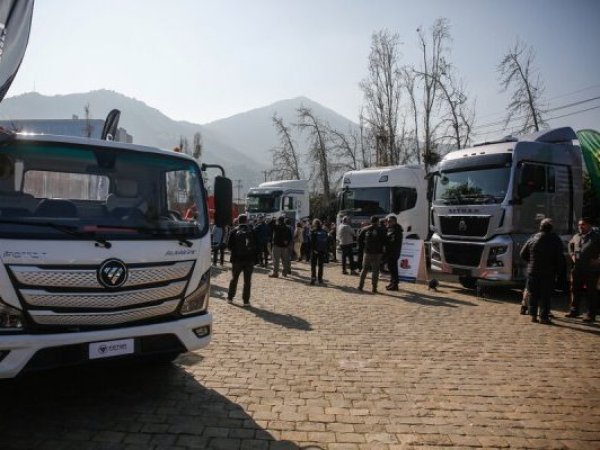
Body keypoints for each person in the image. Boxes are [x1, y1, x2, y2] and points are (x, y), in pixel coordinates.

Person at [519, 218, 564, 324]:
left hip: (533, 271)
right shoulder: (555, 239)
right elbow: (559, 257)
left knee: (533, 294)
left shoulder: (533, 237)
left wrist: (531, 262)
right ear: (551, 228)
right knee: (545, 295)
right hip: (548, 272)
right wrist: (559, 271)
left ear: (540, 227)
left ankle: (533, 316)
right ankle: (543, 317)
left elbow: (522, 254)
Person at [566, 217, 600, 322]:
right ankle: (574, 310)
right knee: (575, 290)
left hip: (591, 270)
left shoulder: (596, 237)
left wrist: (599, 260)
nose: (580, 226)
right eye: (579, 225)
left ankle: (590, 314)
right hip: (577, 268)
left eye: (583, 224)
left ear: (589, 225)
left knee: (591, 292)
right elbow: (570, 245)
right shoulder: (576, 236)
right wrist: (572, 255)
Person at [227, 214, 256, 306]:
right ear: (246, 221)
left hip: (237, 259)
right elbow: (256, 245)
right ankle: (246, 301)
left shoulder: (233, 231)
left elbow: (229, 246)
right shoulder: (251, 230)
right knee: (247, 281)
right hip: (249, 259)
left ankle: (230, 298)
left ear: (238, 221)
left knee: (234, 279)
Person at [357, 215, 386, 293]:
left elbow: (359, 240)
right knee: (375, 271)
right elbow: (385, 241)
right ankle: (374, 288)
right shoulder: (381, 230)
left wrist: (364, 248)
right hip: (378, 253)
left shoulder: (365, 229)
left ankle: (360, 286)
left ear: (371, 221)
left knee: (364, 269)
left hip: (367, 252)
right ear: (377, 221)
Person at [384, 215, 404, 291]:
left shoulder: (397, 230)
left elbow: (392, 242)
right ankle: (392, 282)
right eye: (388, 221)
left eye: (390, 221)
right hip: (389, 252)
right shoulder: (390, 229)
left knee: (393, 269)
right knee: (391, 268)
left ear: (394, 222)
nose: (388, 222)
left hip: (393, 252)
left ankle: (395, 285)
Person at [309, 218, 329, 285]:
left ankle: (313, 278)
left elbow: (311, 242)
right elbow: (327, 241)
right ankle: (320, 279)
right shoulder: (324, 231)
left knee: (313, 265)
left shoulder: (313, 231)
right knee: (320, 265)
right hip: (322, 250)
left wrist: (314, 250)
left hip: (315, 250)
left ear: (314, 224)